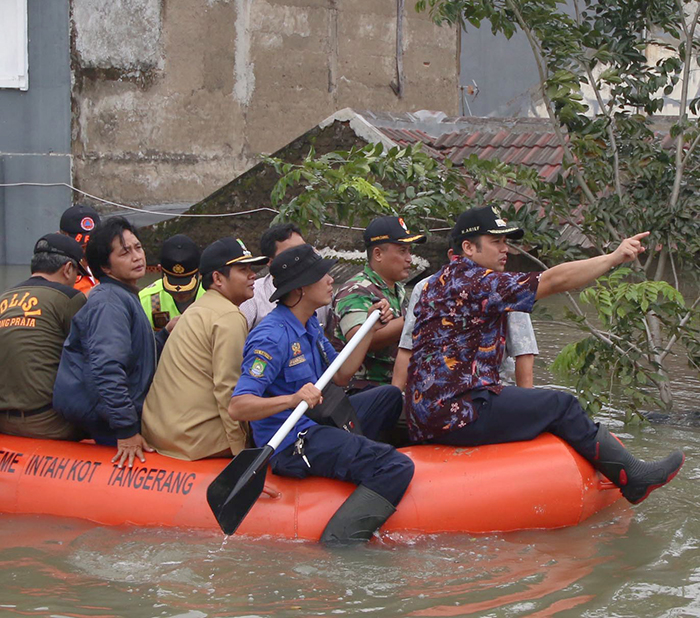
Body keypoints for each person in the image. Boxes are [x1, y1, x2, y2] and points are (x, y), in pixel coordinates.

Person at [406, 204, 684, 504]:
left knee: (534, 403)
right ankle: (633, 477)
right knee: (561, 405)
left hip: (425, 415)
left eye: (506, 242)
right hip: (459, 412)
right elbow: (553, 280)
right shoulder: (477, 282)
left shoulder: (435, 283)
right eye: (496, 242)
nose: (506, 250)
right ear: (468, 247)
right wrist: (614, 257)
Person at [229, 244, 415, 545]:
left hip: (319, 420)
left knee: (389, 396)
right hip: (293, 442)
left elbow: (342, 375)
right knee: (395, 465)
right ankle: (339, 542)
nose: (331, 280)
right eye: (322, 275)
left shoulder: (310, 325)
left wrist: (368, 327)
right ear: (300, 289)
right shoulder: (271, 336)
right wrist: (292, 400)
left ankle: (358, 457)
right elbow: (238, 407)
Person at [141, 237, 268, 460]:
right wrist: (241, 453)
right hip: (193, 441)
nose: (253, 275)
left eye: (251, 268)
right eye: (243, 269)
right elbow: (230, 392)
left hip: (161, 432)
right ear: (218, 278)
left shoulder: (199, 308)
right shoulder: (228, 316)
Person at [53, 217, 156, 468]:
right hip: (110, 425)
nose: (137, 257)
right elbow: (106, 369)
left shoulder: (124, 295)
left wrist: (163, 337)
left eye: (138, 248)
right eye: (125, 252)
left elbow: (135, 354)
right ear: (106, 268)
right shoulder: (109, 302)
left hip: (117, 417)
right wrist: (126, 430)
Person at [392, 242, 539, 391]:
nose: (504, 249)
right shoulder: (426, 287)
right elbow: (407, 347)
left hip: (493, 387)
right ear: (452, 257)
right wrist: (396, 397)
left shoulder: (508, 288)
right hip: (437, 388)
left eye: (503, 242)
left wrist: (527, 402)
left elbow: (524, 352)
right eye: (496, 242)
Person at [0, 234, 87, 440]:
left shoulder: (4, 297)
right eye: (77, 273)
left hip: (3, 421)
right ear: (67, 269)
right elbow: (93, 356)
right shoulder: (70, 298)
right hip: (48, 423)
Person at [327, 216, 426, 392]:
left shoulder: (399, 291)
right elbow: (360, 339)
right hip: (359, 391)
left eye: (409, 251)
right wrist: (416, 317)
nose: (409, 258)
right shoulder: (355, 290)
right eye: (402, 251)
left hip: (393, 388)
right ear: (378, 254)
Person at [239, 222, 331, 330]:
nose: (303, 255)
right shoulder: (253, 297)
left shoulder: (322, 291)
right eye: (293, 253)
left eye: (304, 249)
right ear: (270, 262)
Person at [138, 234, 205, 332]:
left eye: (186, 289)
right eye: (172, 288)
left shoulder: (213, 296)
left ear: (200, 274)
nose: (180, 293)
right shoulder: (147, 300)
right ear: (160, 270)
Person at [59, 204, 101, 296]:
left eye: (91, 241)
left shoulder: (106, 264)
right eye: (81, 245)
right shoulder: (56, 272)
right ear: (60, 236)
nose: (86, 248)